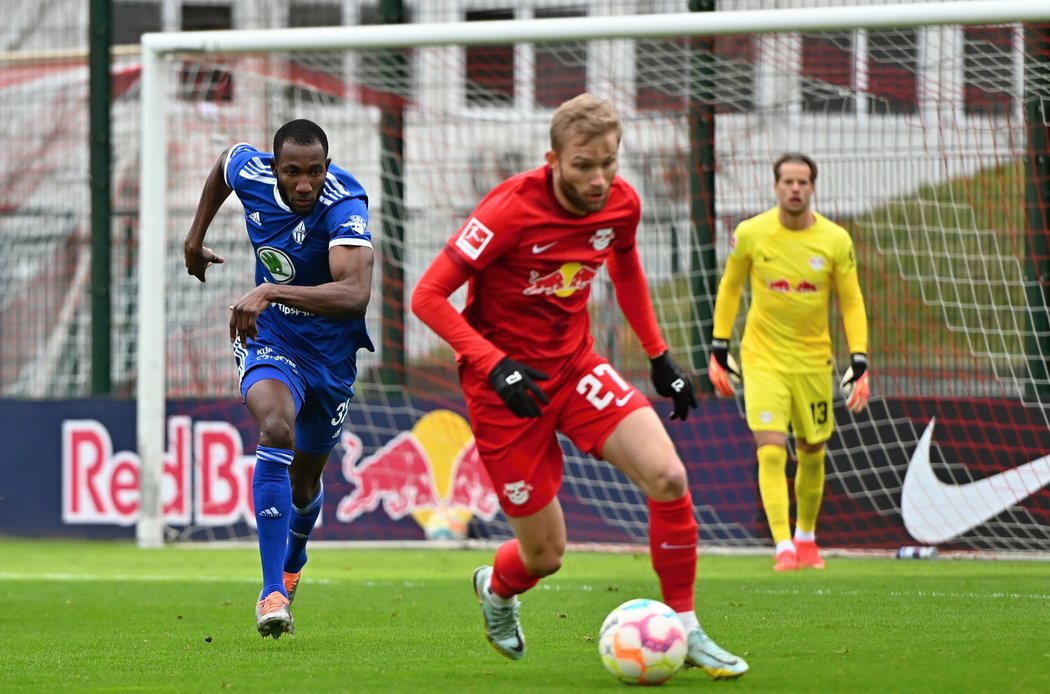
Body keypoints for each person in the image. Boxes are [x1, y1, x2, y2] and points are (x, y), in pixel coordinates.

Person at [410, 93, 748, 680]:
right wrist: (494, 364)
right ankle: (497, 588)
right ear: (553, 159)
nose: (599, 179)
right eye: (584, 165)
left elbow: (626, 268)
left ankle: (687, 627)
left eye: (610, 163)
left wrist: (660, 355)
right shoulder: (508, 211)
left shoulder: (621, 204)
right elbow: (427, 297)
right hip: (504, 390)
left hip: (575, 369)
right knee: (545, 555)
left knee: (668, 476)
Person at [184, 119, 374, 637]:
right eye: (293, 172)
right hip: (272, 340)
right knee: (275, 428)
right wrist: (193, 238)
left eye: (315, 171)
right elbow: (225, 163)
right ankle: (271, 594)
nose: (305, 183)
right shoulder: (252, 172)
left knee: (306, 481)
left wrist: (270, 291)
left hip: (332, 359)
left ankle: (293, 562)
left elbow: (354, 294)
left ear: (327, 168)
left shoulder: (346, 204)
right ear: (275, 169)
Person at [707, 152, 870, 572]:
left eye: (803, 182)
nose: (795, 189)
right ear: (776, 186)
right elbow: (729, 288)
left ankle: (807, 538)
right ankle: (782, 546)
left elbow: (851, 301)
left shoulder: (835, 240)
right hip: (762, 358)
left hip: (814, 361)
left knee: (812, 450)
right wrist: (719, 349)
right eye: (788, 182)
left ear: (812, 187)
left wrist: (859, 358)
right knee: (770, 450)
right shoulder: (751, 233)